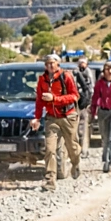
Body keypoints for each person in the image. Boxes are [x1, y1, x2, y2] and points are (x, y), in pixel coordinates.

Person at [28, 54, 80, 191]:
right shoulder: (42, 80)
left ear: (58, 64)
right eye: (47, 63)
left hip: (68, 117)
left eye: (53, 62)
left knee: (72, 147)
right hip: (51, 118)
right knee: (50, 149)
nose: (50, 65)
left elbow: (75, 96)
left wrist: (54, 99)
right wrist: (37, 118)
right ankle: (50, 180)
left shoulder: (66, 76)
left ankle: (75, 163)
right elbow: (39, 101)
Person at [71, 56, 95, 157]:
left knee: (83, 129)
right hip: (73, 105)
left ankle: (84, 150)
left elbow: (90, 89)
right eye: (80, 63)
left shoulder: (88, 73)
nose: (81, 64)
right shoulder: (74, 73)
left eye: (83, 63)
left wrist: (88, 102)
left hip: (84, 105)